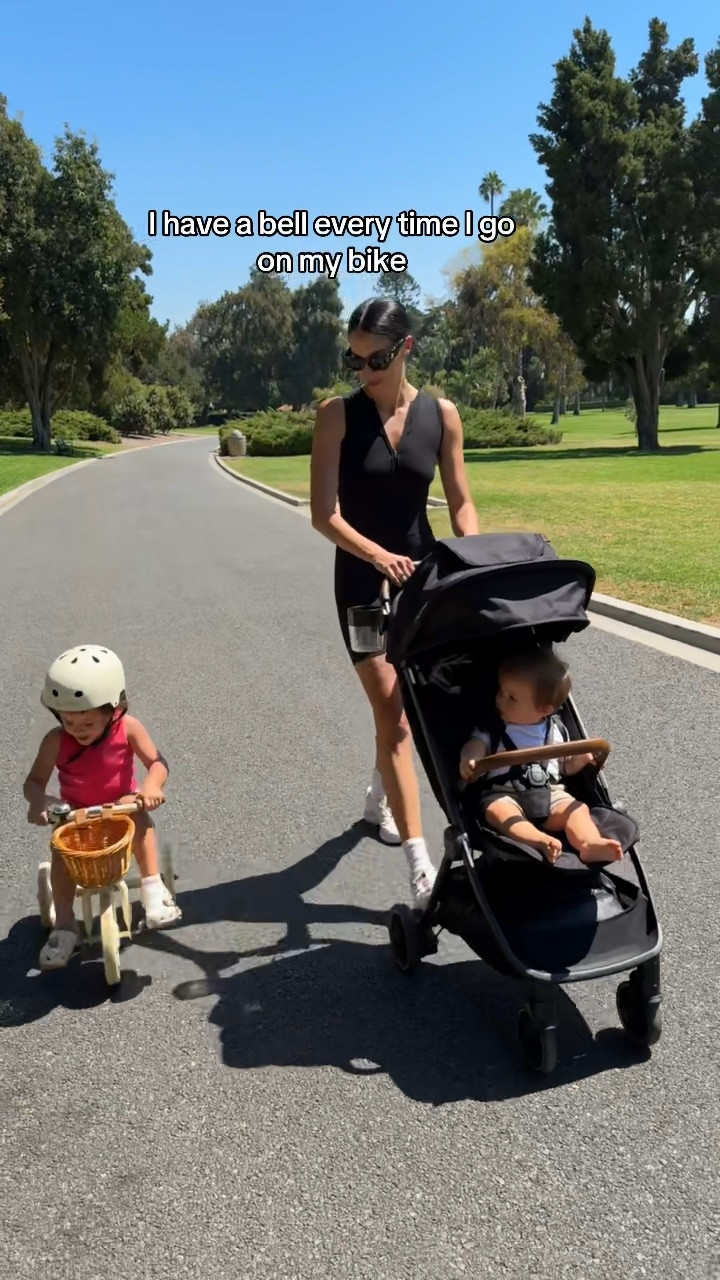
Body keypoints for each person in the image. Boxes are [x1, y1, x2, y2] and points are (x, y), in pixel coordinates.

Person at [310, 297, 479, 905]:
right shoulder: (336, 417)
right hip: (359, 583)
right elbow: (323, 515)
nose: (362, 370)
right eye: (352, 359)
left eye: (374, 358)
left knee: (413, 707)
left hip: (423, 578)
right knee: (396, 716)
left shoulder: (443, 416)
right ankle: (419, 863)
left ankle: (380, 793)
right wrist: (376, 557)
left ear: (405, 347)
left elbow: (459, 501)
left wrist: (475, 555)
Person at [23, 644, 182, 970]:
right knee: (62, 851)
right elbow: (34, 782)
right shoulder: (56, 740)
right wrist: (42, 801)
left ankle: (152, 887)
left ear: (115, 708)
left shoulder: (129, 728)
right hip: (76, 813)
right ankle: (64, 923)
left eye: (87, 723)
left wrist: (151, 786)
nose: (76, 731)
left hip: (120, 807)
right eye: (68, 721)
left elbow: (156, 762)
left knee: (140, 818)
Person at [459, 648, 623, 864]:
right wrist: (470, 759)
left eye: (512, 697)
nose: (500, 699)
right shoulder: (494, 729)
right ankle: (538, 840)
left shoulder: (555, 731)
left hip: (550, 794)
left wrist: (584, 758)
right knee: (497, 811)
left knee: (577, 809)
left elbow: (566, 767)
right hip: (504, 793)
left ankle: (588, 842)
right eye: (501, 691)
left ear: (544, 710)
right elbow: (475, 745)